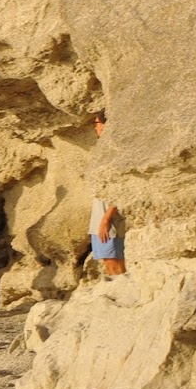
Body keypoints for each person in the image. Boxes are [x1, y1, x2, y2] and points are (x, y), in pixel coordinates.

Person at [89, 111, 126, 276]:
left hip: (110, 222)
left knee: (115, 265)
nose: (95, 128)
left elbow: (121, 190)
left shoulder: (116, 153)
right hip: (99, 221)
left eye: (97, 123)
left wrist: (106, 219)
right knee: (108, 264)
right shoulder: (102, 154)